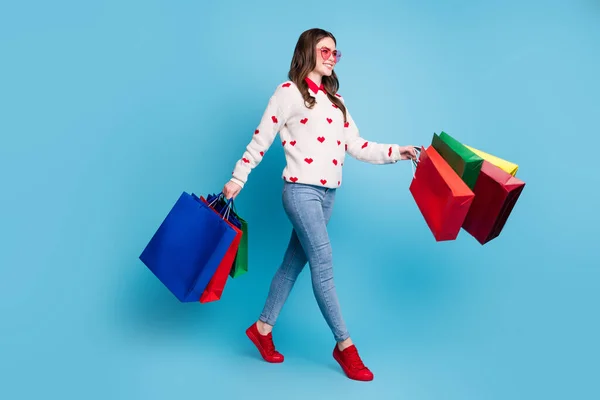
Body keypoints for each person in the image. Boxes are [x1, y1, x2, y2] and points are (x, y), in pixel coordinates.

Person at [222, 28, 417, 381]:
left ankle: (262, 329)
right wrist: (239, 177)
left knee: (292, 265)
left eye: (335, 53)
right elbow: (261, 137)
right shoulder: (287, 93)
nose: (331, 57)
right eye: (325, 50)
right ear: (307, 53)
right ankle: (345, 346)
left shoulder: (337, 101)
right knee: (323, 262)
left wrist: (397, 153)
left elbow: (357, 145)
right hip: (300, 192)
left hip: (328, 196)